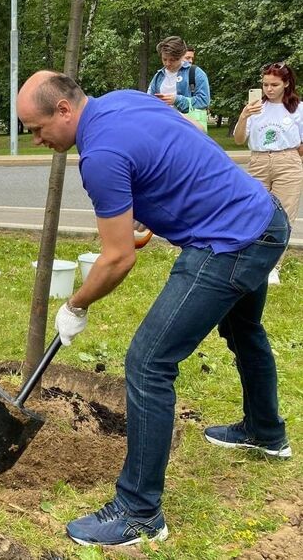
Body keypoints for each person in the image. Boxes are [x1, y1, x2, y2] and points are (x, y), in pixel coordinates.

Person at [17, 71, 290, 548]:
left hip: (228, 243)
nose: (38, 141)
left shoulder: (99, 156)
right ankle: (265, 432)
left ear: (63, 109)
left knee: (148, 363)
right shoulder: (121, 101)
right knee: (244, 330)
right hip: (263, 218)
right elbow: (169, 150)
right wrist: (148, 212)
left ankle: (139, 512)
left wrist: (75, 305)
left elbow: (117, 258)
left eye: (38, 130)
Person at [233, 62, 303, 285]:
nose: (269, 89)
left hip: (287, 160)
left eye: (274, 84)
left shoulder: (297, 108)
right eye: (265, 84)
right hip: (259, 160)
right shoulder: (255, 107)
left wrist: (292, 159)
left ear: (286, 84)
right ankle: (251, 263)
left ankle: (274, 267)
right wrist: (244, 116)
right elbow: (239, 139)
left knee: (284, 215)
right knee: (255, 212)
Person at [147, 36, 210, 132]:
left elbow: (204, 101)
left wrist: (177, 100)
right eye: (164, 59)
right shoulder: (158, 76)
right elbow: (149, 101)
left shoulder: (196, 73)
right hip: (163, 128)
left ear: (182, 56)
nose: (167, 63)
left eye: (172, 60)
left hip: (187, 129)